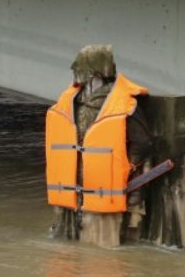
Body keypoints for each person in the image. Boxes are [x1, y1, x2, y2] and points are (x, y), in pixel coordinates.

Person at [46, 45, 152, 244]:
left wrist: (126, 168)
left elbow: (143, 143)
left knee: (101, 259)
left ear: (94, 71)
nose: (73, 70)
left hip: (104, 191)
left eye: (79, 66)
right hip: (71, 190)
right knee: (64, 254)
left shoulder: (124, 104)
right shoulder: (71, 101)